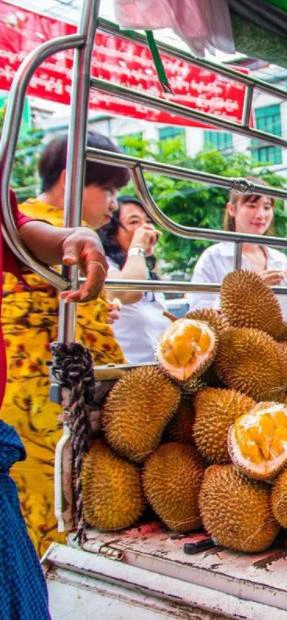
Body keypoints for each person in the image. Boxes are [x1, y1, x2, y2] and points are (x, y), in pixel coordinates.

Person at [2, 133, 129, 558]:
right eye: (107, 189)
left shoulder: (34, 227)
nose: (113, 203)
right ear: (72, 178)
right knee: (49, 537)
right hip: (44, 421)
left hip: (39, 416)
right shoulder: (50, 230)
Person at [186, 185, 287, 335]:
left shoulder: (279, 259)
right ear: (232, 209)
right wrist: (247, 292)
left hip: (280, 348)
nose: (261, 215)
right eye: (251, 206)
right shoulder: (213, 258)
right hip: (234, 351)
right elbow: (199, 321)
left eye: (267, 207)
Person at [98, 196, 172, 363]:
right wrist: (137, 246)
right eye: (134, 222)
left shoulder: (148, 272)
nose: (145, 228)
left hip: (156, 373)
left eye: (147, 221)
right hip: (122, 373)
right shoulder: (104, 264)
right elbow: (127, 291)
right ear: (112, 233)